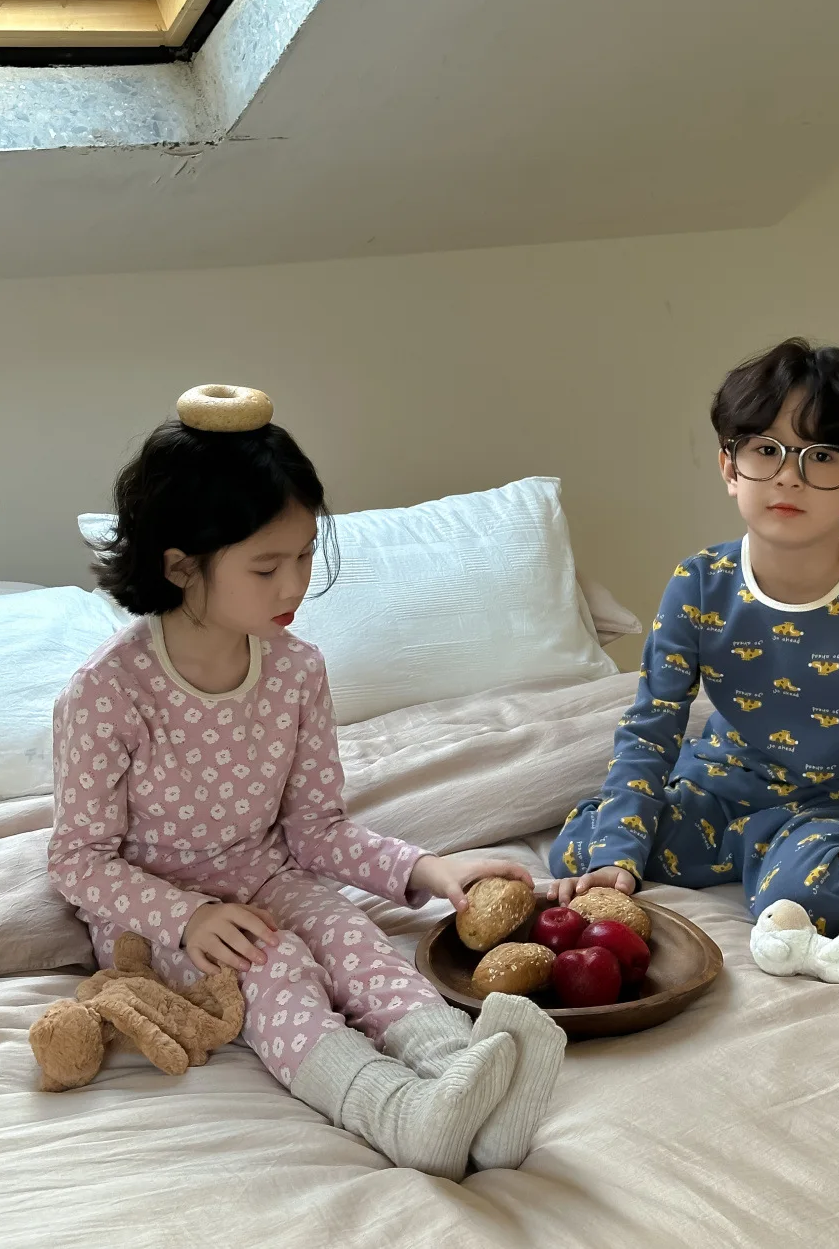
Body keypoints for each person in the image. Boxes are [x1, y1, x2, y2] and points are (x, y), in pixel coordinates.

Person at [49, 385, 564, 1181]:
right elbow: (77, 860)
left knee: (355, 940)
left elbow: (316, 829)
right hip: (160, 915)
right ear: (180, 564)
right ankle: (397, 1114)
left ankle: (471, 1090)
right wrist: (187, 917)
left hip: (268, 874)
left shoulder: (296, 670)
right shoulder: (107, 691)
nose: (294, 585)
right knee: (277, 966)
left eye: (304, 555)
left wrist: (429, 871)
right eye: (267, 566)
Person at [549, 338, 839, 935]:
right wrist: (616, 856)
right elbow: (652, 724)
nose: (788, 476)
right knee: (581, 850)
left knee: (806, 902)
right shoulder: (698, 582)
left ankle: (824, 862)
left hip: (826, 802)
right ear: (729, 467)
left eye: (821, 456)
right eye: (766, 450)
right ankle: (757, 854)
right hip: (718, 785)